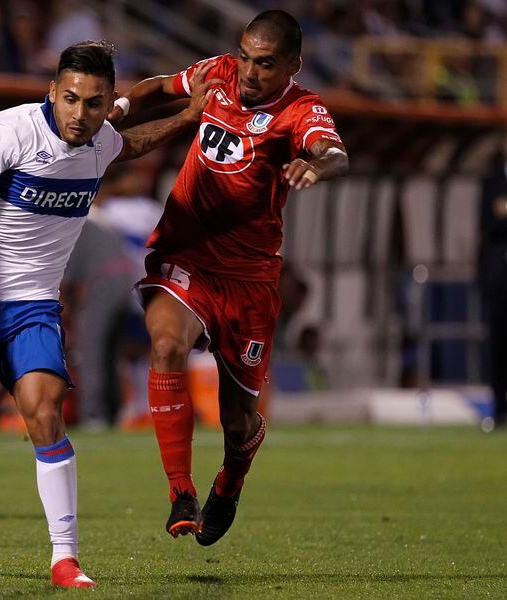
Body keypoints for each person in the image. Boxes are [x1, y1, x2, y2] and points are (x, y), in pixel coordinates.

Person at [0, 40, 216, 588]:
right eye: (70, 99)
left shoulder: (98, 139)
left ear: (107, 99)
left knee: (45, 413)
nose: (80, 114)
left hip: (32, 304)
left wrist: (186, 116)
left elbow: (127, 144)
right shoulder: (10, 131)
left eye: (93, 103)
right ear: (52, 93)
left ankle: (65, 558)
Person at [108, 10, 349, 546]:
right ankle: (180, 493)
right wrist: (119, 108)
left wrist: (317, 165)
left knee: (238, 424)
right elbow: (157, 88)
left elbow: (333, 151)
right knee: (166, 344)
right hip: (187, 253)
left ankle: (231, 480)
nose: (249, 71)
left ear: (293, 64)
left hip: (249, 280)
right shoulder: (218, 73)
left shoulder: (300, 110)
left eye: (265, 63)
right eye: (244, 56)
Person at [478, 135, 507, 429]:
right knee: (497, 345)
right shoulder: (491, 181)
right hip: (498, 277)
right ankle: (499, 410)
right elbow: (488, 223)